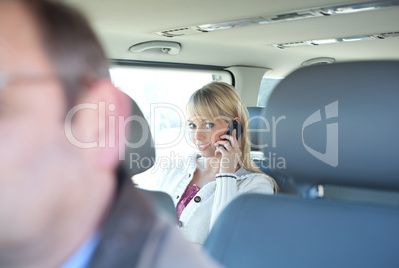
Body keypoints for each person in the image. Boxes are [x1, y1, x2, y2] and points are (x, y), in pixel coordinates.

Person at [0, 0, 220, 267]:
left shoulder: (252, 186)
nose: (198, 135)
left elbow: (223, 234)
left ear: (102, 126)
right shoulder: (177, 171)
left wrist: (229, 171)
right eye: (193, 124)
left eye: (3, 101)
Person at [157, 82, 277, 246]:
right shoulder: (174, 168)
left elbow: (225, 241)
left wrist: (226, 173)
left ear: (234, 127)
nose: (197, 136)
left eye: (208, 124)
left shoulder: (256, 186)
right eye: (192, 125)